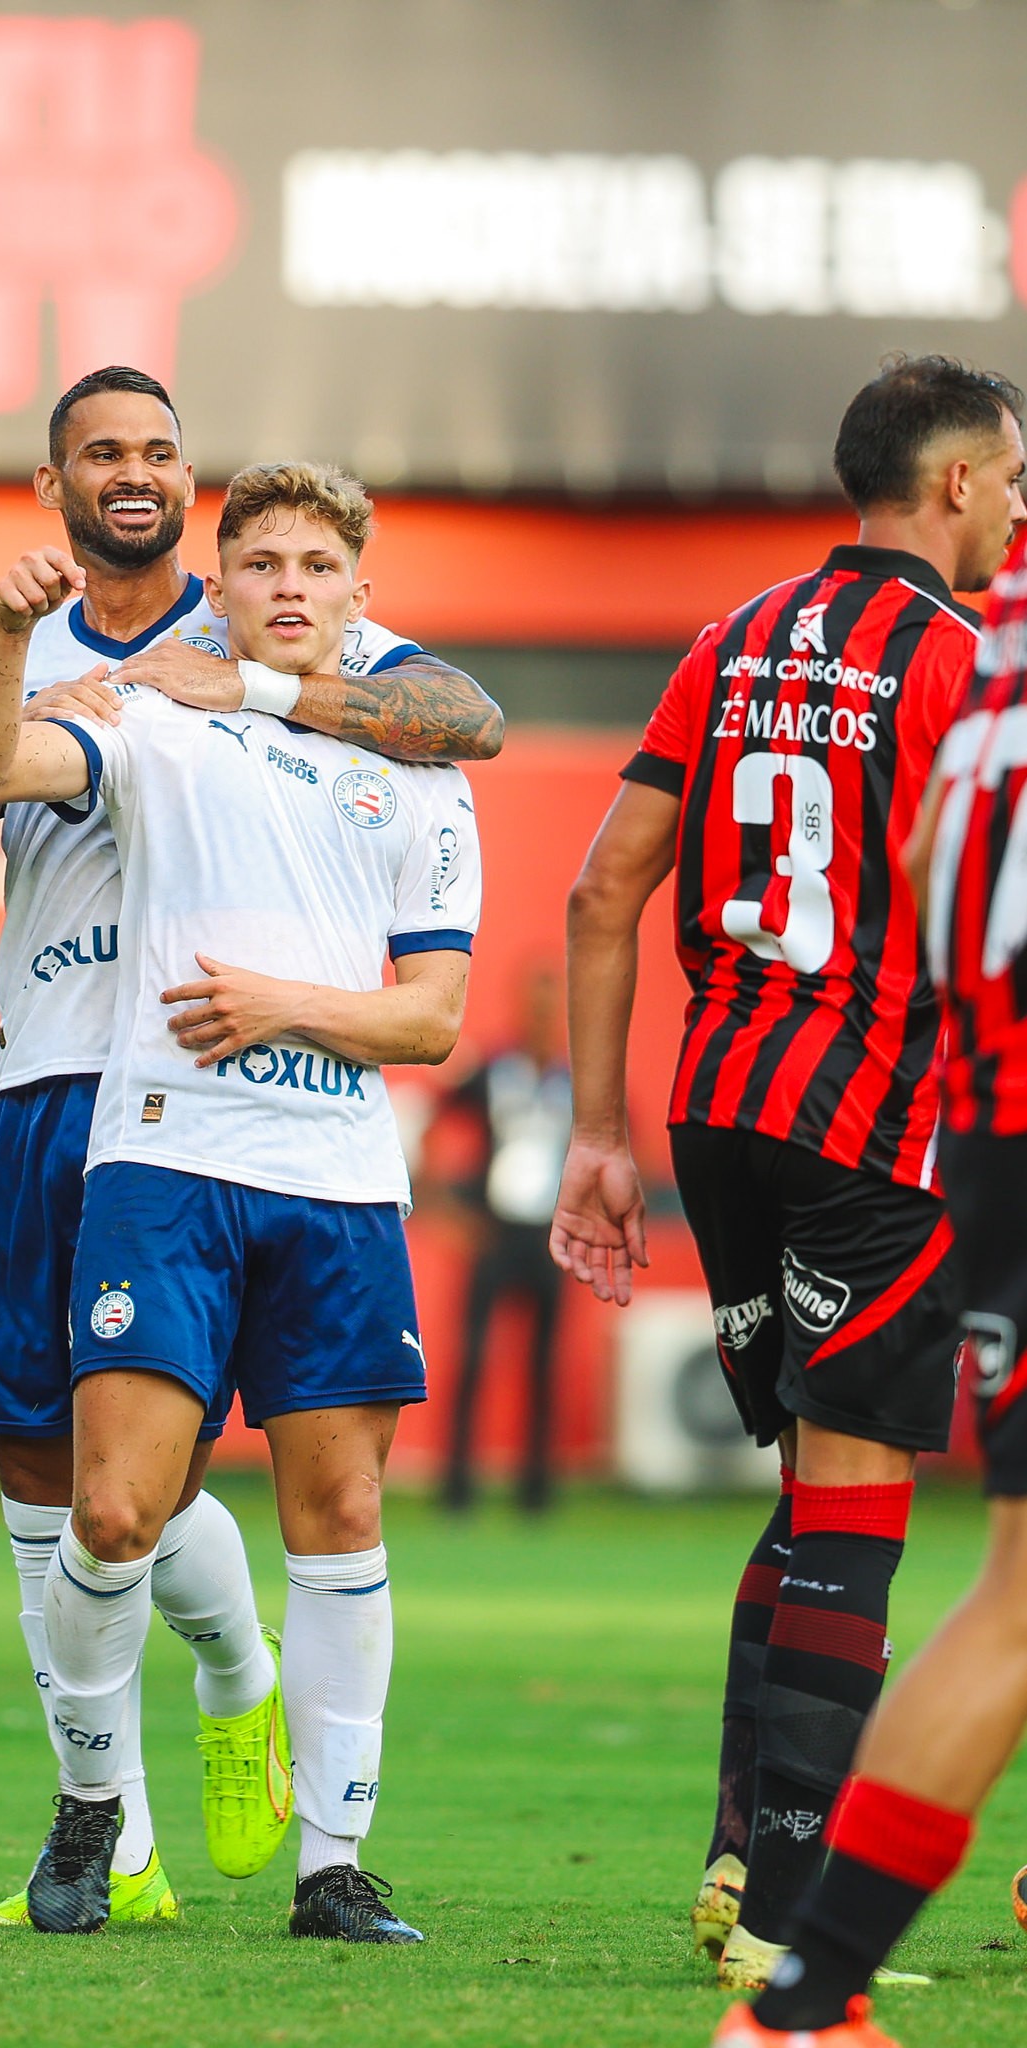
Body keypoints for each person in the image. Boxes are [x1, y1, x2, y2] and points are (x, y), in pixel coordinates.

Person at [0, 367, 503, 1926]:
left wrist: (289, 992)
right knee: (91, 1498)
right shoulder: (133, 704)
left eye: (317, 569)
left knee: (335, 1511)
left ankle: (325, 1854)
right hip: (110, 1119)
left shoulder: (393, 740)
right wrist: (26, 651)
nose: (289, 588)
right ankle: (110, 1819)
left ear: (356, 595)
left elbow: (439, 976)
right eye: (265, 565)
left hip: (331, 1171)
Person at [548, 354, 1025, 1992]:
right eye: (1011, 483)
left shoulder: (728, 638)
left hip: (717, 1110)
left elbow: (603, 887)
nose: (1017, 514)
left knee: (804, 1498)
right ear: (954, 485)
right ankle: (786, 1925)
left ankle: (742, 1854)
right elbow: (949, 887)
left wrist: (593, 1133)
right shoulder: (965, 666)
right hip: (875, 1122)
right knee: (855, 1515)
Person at [717, 532, 1027, 2046]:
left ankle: (794, 1970)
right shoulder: (951, 655)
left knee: (989, 1582)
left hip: (962, 1125)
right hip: (886, 1127)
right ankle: (796, 1975)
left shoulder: (987, 671)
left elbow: (917, 868)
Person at [438, 961, 570, 1513]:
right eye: (532, 1006)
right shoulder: (493, 1071)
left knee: (543, 1364)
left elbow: (620, 1140)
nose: (540, 1018)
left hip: (548, 1238)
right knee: (472, 1359)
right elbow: (433, 1121)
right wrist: (446, 1208)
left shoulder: (574, 1078)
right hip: (494, 1234)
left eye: (549, 1008)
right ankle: (458, 1488)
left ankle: (535, 1490)